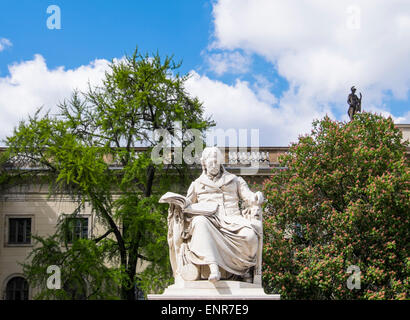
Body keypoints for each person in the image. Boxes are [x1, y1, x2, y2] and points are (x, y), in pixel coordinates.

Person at [167, 147, 263, 283]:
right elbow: (187, 204)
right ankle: (213, 268)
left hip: (232, 220)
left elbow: (249, 196)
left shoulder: (235, 180)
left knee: (250, 236)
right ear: (204, 163)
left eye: (216, 162)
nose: (214, 165)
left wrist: (256, 197)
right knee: (200, 222)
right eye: (211, 162)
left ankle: (243, 269)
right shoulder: (197, 184)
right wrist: (178, 204)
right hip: (208, 219)